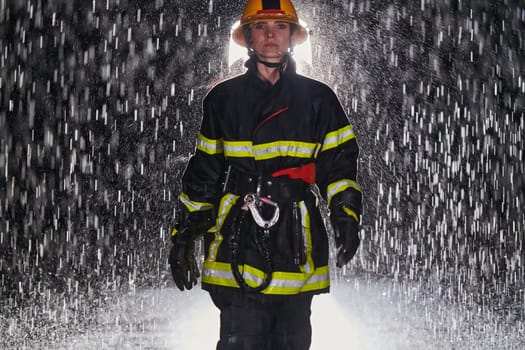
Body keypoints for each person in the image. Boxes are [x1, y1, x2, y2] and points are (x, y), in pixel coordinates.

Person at [169, 0, 363, 349]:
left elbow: (339, 165)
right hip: (237, 234)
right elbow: (204, 171)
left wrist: (345, 213)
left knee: (291, 341)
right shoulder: (223, 99)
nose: (270, 35)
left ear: (292, 37)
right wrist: (183, 234)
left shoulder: (319, 99)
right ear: (248, 37)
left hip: (296, 233)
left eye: (280, 27)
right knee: (239, 340)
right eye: (261, 27)